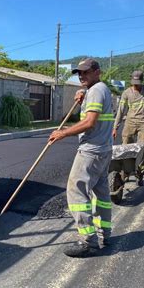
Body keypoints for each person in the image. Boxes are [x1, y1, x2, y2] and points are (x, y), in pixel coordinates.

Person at [49, 58, 113, 258]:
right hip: (103, 150)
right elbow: (94, 113)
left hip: (91, 151)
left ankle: (88, 241)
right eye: (79, 73)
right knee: (101, 195)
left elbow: (90, 122)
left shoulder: (96, 90)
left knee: (76, 192)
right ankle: (105, 234)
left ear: (97, 72)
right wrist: (83, 95)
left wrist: (63, 133)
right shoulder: (100, 89)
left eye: (86, 72)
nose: (81, 76)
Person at [112, 70, 144, 186]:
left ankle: (139, 174)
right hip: (130, 123)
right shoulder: (126, 93)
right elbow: (121, 111)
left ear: (142, 81)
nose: (135, 85)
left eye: (138, 82)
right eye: (133, 82)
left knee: (142, 150)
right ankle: (125, 173)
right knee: (125, 148)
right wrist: (115, 127)